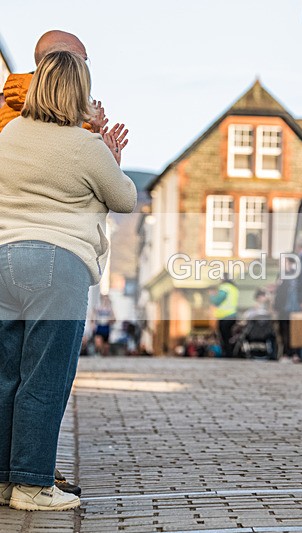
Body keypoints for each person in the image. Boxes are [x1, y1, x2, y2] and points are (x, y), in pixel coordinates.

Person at [0, 50, 136, 511]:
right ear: (77, 92)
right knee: (45, 376)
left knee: (6, 376)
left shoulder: (10, 133)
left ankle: (3, 479)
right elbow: (125, 198)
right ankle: (33, 485)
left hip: (4, 259)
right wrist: (110, 155)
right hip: (58, 264)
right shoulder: (84, 145)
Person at [210, 274, 239, 358]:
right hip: (233, 315)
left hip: (225, 316)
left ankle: (227, 354)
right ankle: (230, 353)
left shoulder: (224, 287)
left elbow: (217, 301)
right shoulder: (234, 288)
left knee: (224, 337)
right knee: (229, 336)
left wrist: (212, 295)